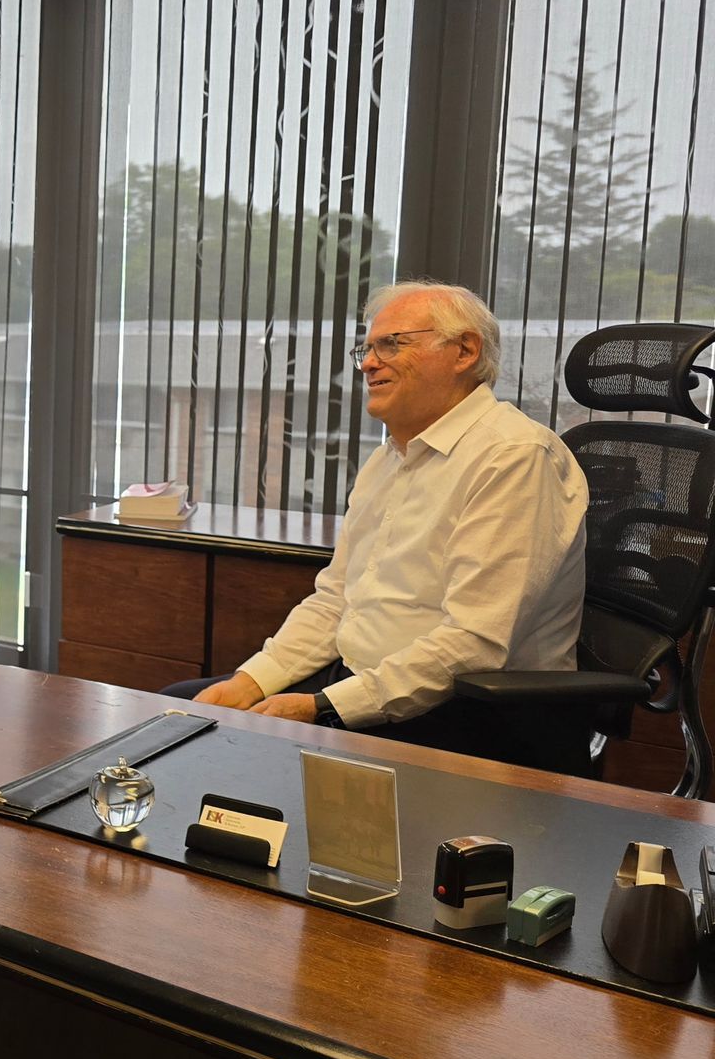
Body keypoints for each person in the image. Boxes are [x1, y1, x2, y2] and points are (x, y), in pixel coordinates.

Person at [165, 281, 592, 776]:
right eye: (366, 349)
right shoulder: (390, 456)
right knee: (177, 713)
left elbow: (473, 644)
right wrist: (254, 680)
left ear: (465, 351)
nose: (369, 363)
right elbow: (336, 598)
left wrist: (319, 708)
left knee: (217, 761)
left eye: (392, 344)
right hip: (359, 682)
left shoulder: (515, 458)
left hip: (466, 709)